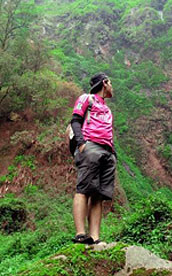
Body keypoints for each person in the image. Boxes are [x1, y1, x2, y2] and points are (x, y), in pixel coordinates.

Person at [70, 72, 116, 245]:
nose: (112, 87)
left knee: (98, 195)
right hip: (90, 147)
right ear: (105, 83)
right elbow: (75, 120)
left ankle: (95, 238)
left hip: (107, 152)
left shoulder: (107, 108)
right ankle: (81, 234)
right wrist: (82, 144)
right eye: (110, 83)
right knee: (83, 189)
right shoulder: (87, 98)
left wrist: (113, 154)